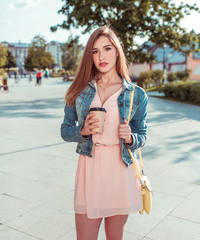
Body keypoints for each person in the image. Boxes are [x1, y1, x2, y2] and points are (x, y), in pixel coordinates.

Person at [60, 26, 148, 240]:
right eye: (95, 51)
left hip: (120, 170)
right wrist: (82, 131)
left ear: (117, 51)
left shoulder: (137, 94)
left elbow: (142, 136)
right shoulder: (79, 89)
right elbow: (65, 130)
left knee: (115, 236)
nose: (102, 56)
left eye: (107, 49)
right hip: (90, 168)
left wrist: (130, 137)